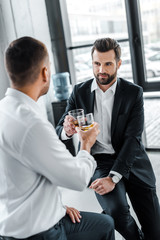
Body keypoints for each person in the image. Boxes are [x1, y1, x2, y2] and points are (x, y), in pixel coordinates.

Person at [0, 36, 115, 240]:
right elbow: (78, 179)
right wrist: (86, 143)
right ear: (45, 73)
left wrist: (58, 207)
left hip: (18, 221)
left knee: (104, 224)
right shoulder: (32, 124)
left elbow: (21, 174)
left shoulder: (4, 110)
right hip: (39, 232)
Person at [56, 37, 160, 240]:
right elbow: (60, 128)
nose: (101, 69)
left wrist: (114, 178)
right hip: (101, 162)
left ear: (118, 64)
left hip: (133, 162)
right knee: (118, 214)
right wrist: (67, 130)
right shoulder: (80, 92)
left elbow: (133, 139)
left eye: (107, 64)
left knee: (155, 233)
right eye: (97, 63)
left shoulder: (133, 93)